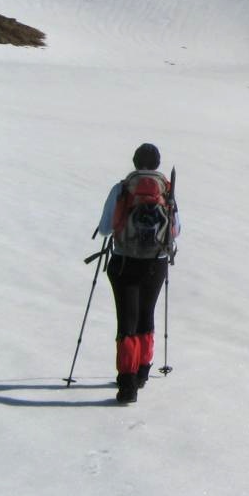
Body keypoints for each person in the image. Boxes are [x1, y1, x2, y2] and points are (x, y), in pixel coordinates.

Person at [96, 143, 180, 404]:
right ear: (157, 164)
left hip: (124, 262)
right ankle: (142, 371)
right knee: (146, 314)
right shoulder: (167, 189)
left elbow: (106, 228)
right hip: (157, 262)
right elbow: (176, 229)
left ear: (135, 162)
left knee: (127, 320)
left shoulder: (122, 188)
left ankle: (127, 384)